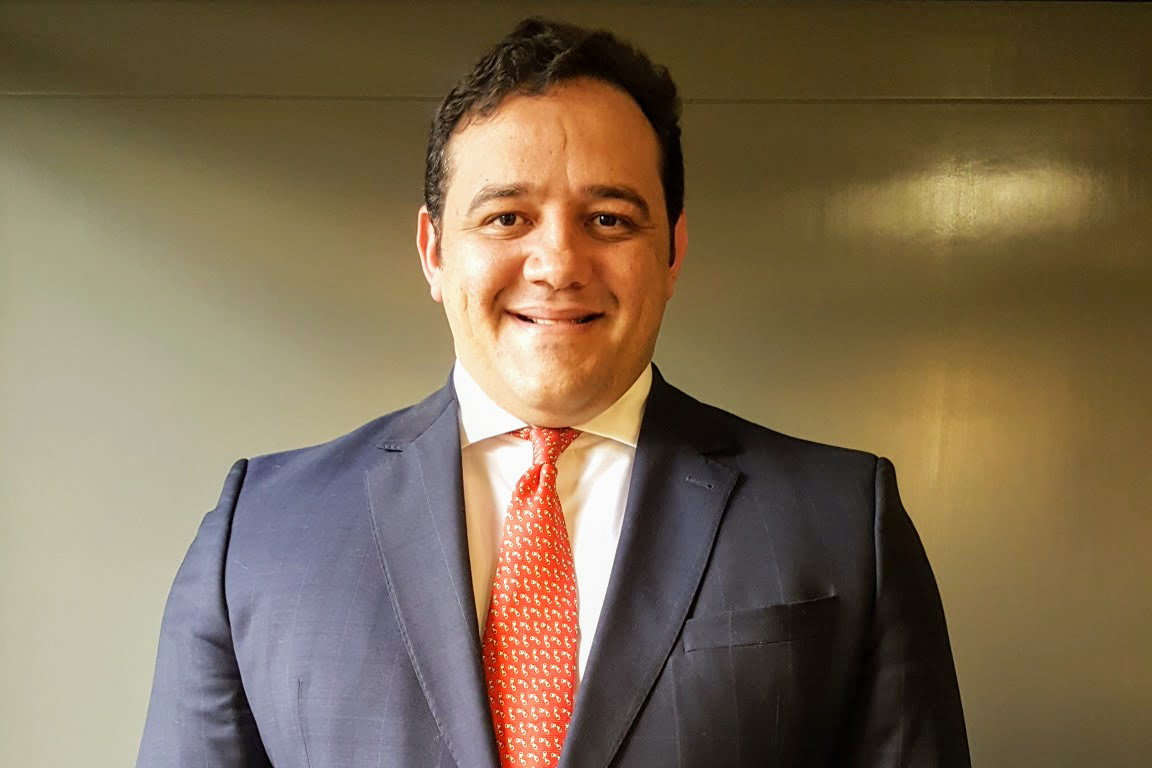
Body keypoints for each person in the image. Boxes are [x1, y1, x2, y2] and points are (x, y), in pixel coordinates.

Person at [137, 17, 970, 768]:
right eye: (506, 218)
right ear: (434, 251)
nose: (559, 264)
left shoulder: (843, 520)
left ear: (672, 252)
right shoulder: (259, 531)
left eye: (609, 219)